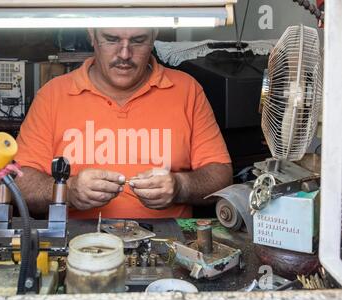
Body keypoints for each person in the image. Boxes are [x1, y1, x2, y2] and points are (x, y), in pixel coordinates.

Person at [14, 28, 232, 219]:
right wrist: (67, 191)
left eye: (138, 40)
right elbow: (19, 183)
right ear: (92, 34)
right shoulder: (53, 95)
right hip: (77, 243)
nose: (125, 54)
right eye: (111, 39)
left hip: (168, 242)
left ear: (154, 35)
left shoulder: (186, 90)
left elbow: (221, 177)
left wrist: (180, 186)